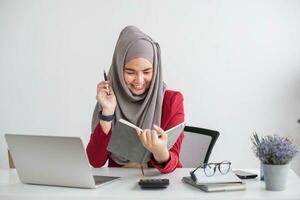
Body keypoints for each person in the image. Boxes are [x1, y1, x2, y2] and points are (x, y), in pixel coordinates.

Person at [86, 26, 185, 173]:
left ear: (156, 69)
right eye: (130, 72)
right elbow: (96, 161)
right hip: (119, 188)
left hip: (159, 186)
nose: (139, 80)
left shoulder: (172, 101)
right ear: (119, 69)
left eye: (147, 72)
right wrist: (107, 113)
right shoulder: (109, 100)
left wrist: (159, 151)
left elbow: (174, 165)